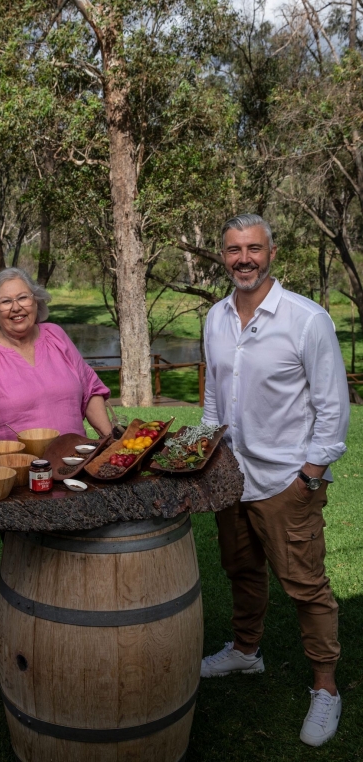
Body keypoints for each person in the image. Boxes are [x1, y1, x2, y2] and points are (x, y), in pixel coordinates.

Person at [200, 214, 349, 748]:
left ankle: (326, 687)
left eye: (254, 249)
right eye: (234, 249)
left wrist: (309, 475)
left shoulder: (306, 320)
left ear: (272, 253)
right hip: (230, 478)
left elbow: (333, 409)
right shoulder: (215, 318)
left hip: (287, 481)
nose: (244, 258)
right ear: (223, 255)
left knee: (306, 587)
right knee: (241, 569)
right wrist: (206, 454)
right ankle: (245, 652)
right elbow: (215, 399)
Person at [0, 268, 112, 453]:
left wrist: (111, 441)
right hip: (12, 472)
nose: (16, 307)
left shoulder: (56, 335)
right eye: (6, 301)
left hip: (75, 464)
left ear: (35, 301)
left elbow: (90, 391)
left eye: (23, 297)